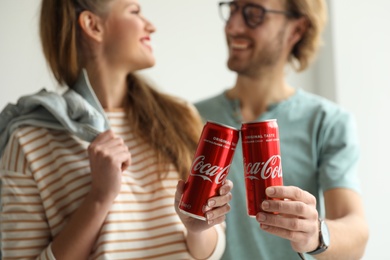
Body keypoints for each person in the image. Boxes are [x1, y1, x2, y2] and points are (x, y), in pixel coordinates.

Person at [0, 0, 232, 259]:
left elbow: (211, 247)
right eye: (134, 11)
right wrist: (100, 197)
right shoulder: (28, 141)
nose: (151, 26)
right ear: (93, 25)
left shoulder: (180, 116)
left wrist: (197, 228)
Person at [195, 0, 369, 259]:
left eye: (253, 13)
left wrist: (315, 233)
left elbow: (356, 234)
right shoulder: (189, 118)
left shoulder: (327, 121)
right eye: (232, 9)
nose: (232, 26)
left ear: (297, 30)